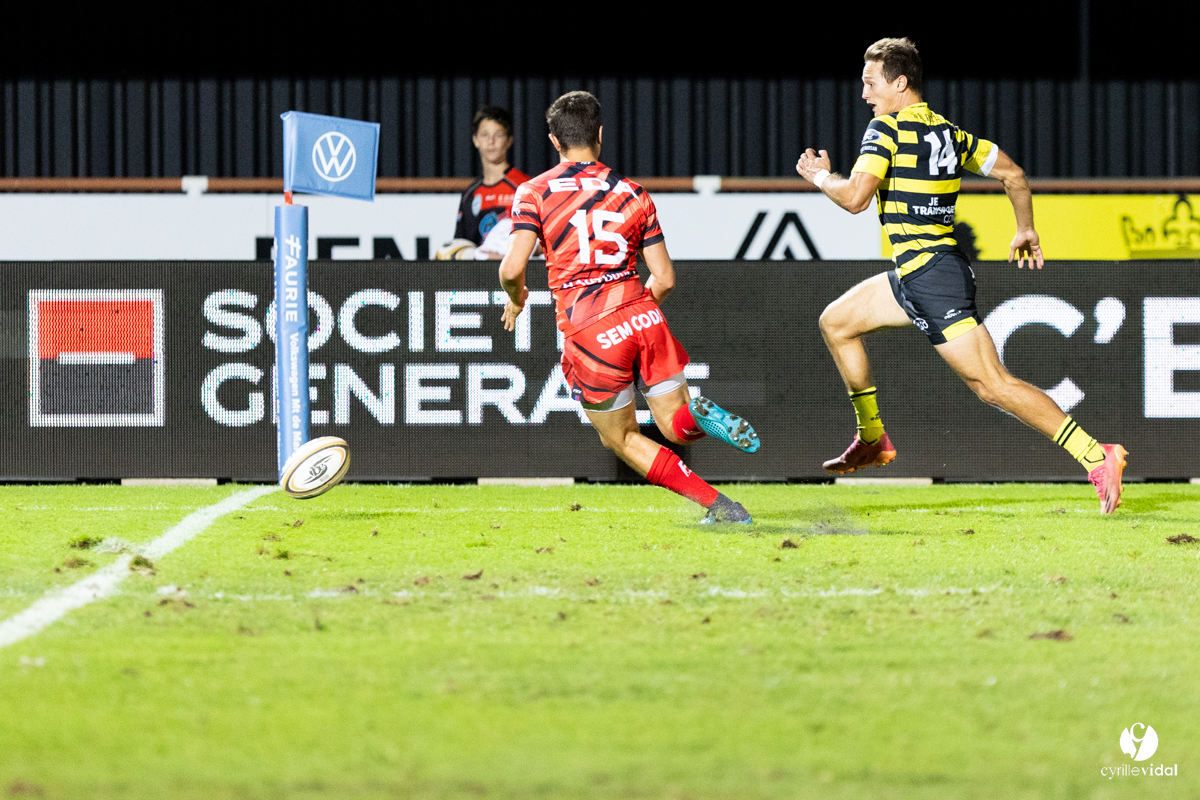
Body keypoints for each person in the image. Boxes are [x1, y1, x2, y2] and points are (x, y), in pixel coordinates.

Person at [794, 37, 1128, 513]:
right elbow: (1013, 175)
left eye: (871, 83)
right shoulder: (952, 134)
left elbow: (855, 199)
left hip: (933, 277)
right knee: (836, 322)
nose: (864, 93)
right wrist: (1025, 228)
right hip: (914, 275)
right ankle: (872, 439)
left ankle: (1098, 454)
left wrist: (820, 177)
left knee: (993, 385)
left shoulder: (883, 131)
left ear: (900, 82)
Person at [499, 91, 759, 524]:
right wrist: (636, 310)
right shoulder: (633, 193)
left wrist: (516, 297)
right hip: (644, 315)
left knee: (620, 438)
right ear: (600, 135)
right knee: (676, 423)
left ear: (553, 140)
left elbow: (511, 269)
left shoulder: (533, 192)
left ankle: (722, 507)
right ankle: (697, 413)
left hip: (590, 334)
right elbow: (666, 278)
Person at [450, 106, 530, 259]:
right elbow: (461, 244)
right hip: (479, 277)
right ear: (475, 140)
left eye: (498, 134)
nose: (491, 141)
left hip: (514, 273)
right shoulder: (470, 194)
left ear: (509, 140)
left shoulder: (525, 186)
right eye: (484, 134)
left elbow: (539, 241)